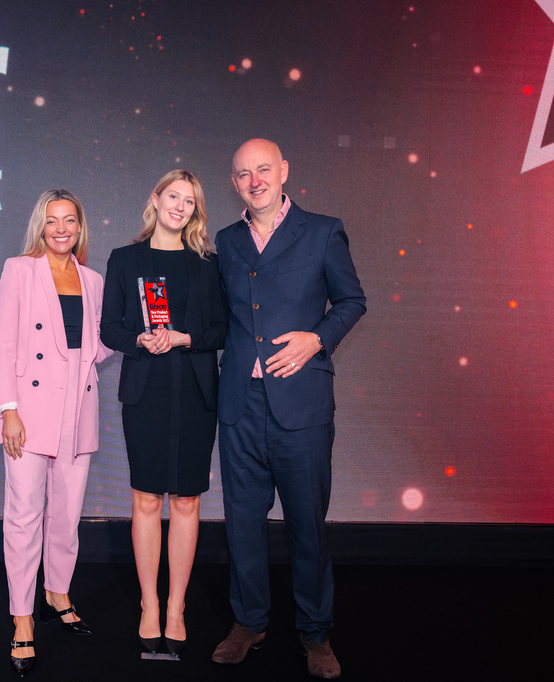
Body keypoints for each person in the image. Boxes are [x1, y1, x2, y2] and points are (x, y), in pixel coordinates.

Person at [211, 139, 366, 679]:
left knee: (307, 525)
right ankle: (249, 621)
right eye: (243, 173)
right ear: (234, 183)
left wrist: (316, 339)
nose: (254, 180)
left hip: (301, 402)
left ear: (283, 171)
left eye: (263, 169)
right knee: (242, 525)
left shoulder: (322, 231)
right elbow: (221, 316)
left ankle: (315, 631)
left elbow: (352, 301)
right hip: (240, 405)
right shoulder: (226, 241)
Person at [0, 189, 112, 678]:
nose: (61, 229)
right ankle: (22, 617)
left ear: (80, 226)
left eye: (70, 220)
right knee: (23, 515)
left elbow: (98, 343)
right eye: (53, 220)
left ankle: (57, 592)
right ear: (41, 225)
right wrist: (9, 410)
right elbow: (4, 344)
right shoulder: (20, 270)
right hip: (29, 411)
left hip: (77, 407)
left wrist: (132, 338)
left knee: (67, 514)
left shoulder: (92, 279)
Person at [100, 170, 227, 656]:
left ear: (196, 210)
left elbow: (223, 329)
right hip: (146, 393)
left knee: (187, 501)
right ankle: (149, 604)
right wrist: (139, 338)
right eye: (173, 196)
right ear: (155, 199)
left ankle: (177, 606)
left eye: (189, 201)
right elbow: (110, 328)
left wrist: (184, 337)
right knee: (147, 499)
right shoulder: (125, 259)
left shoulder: (208, 264)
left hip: (195, 393)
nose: (180, 206)